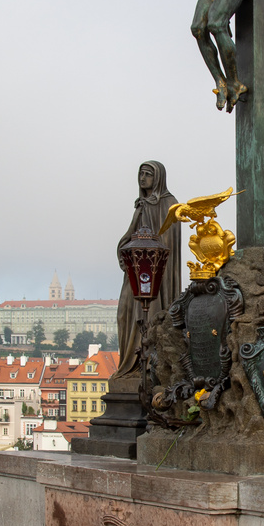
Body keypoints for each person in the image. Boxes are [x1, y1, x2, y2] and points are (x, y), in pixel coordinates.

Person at [114, 161, 181, 380]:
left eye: (148, 174)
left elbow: (169, 240)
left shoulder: (170, 204)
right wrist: (126, 250)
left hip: (155, 275)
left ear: (158, 177)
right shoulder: (142, 204)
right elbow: (129, 235)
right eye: (140, 174)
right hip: (136, 271)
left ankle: (150, 368)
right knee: (125, 313)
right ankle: (129, 365)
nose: (143, 178)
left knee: (149, 316)